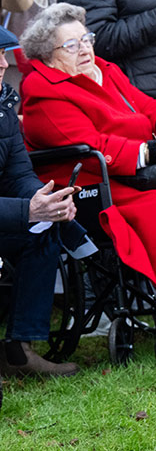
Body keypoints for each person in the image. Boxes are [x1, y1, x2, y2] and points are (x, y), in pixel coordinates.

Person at [19, 3, 156, 332]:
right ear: (48, 55)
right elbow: (91, 146)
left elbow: (146, 106)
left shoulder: (106, 69)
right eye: (71, 45)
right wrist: (153, 152)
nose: (85, 49)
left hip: (136, 178)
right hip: (92, 185)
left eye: (86, 39)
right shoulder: (42, 92)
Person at [0, 22, 83, 379]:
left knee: (44, 227)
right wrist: (26, 209)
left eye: (2, 55)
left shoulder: (3, 105)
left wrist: (43, 200)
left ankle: (20, 349)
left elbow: (18, 171)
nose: (4, 64)